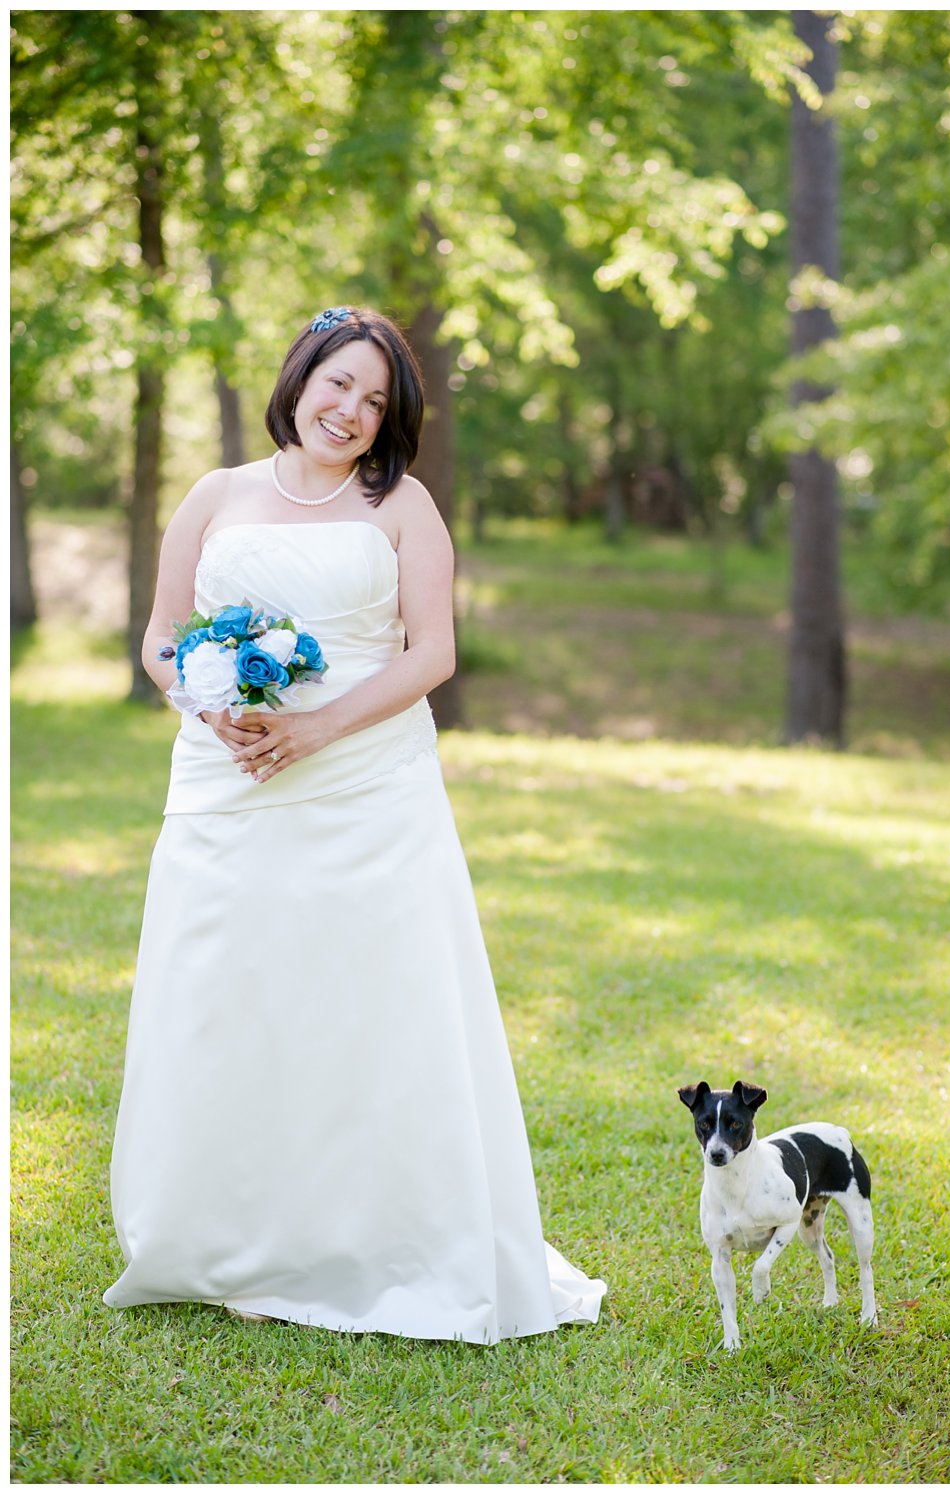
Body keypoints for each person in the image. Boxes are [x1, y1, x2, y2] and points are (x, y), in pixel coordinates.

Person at [102, 306, 606, 1342]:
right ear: (300, 378)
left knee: (368, 1006)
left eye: (375, 401)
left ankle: (378, 1235)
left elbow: (431, 654)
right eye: (339, 383)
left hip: (367, 787)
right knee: (224, 997)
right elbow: (160, 638)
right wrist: (205, 702)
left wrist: (316, 729)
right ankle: (217, 1233)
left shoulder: (403, 505)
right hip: (225, 785)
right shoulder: (214, 495)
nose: (350, 411)